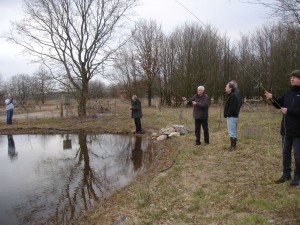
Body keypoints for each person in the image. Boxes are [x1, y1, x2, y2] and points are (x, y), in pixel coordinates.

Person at [264, 70, 300, 186]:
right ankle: (286, 175)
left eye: (294, 77)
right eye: (291, 77)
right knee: (285, 153)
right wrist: (272, 98)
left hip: (298, 132)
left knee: (298, 155)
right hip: (286, 129)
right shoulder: (288, 93)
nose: (292, 79)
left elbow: (290, 110)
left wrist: (289, 111)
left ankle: (297, 177)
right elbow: (279, 104)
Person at [224, 81, 241, 151]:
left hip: (232, 116)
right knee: (233, 131)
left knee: (232, 131)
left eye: (226, 87)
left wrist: (228, 114)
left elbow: (232, 107)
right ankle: (233, 146)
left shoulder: (233, 95)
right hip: (234, 115)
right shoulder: (235, 94)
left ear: (230, 88)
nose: (225, 88)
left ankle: (233, 147)